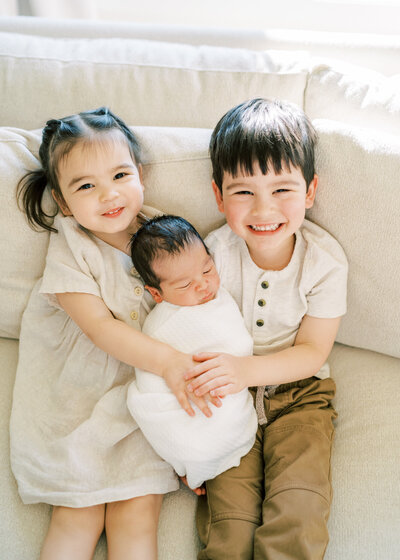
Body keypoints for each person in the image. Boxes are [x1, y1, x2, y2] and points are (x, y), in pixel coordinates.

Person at [9, 107, 217, 560]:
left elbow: (199, 313)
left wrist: (193, 448)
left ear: (141, 174)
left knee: (136, 514)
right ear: (64, 202)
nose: (109, 194)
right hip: (80, 395)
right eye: (86, 186)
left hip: (143, 395)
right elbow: (100, 327)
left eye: (120, 175)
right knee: (76, 515)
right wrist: (169, 362)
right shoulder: (71, 247)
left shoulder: (167, 233)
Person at [185, 98, 348, 559]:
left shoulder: (325, 263)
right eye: (243, 192)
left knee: (299, 508)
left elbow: (313, 351)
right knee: (230, 527)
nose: (263, 209)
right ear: (218, 196)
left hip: (301, 396)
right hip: (226, 400)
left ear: (310, 191)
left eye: (282, 190)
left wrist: (246, 371)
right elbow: (186, 334)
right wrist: (186, 446)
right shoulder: (209, 256)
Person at [127, 214, 258, 490]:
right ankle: (193, 463)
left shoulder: (219, 298)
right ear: (157, 294)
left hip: (229, 402)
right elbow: (150, 379)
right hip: (179, 409)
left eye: (207, 269)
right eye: (185, 285)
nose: (202, 285)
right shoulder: (161, 326)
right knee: (187, 436)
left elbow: (238, 346)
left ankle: (201, 462)